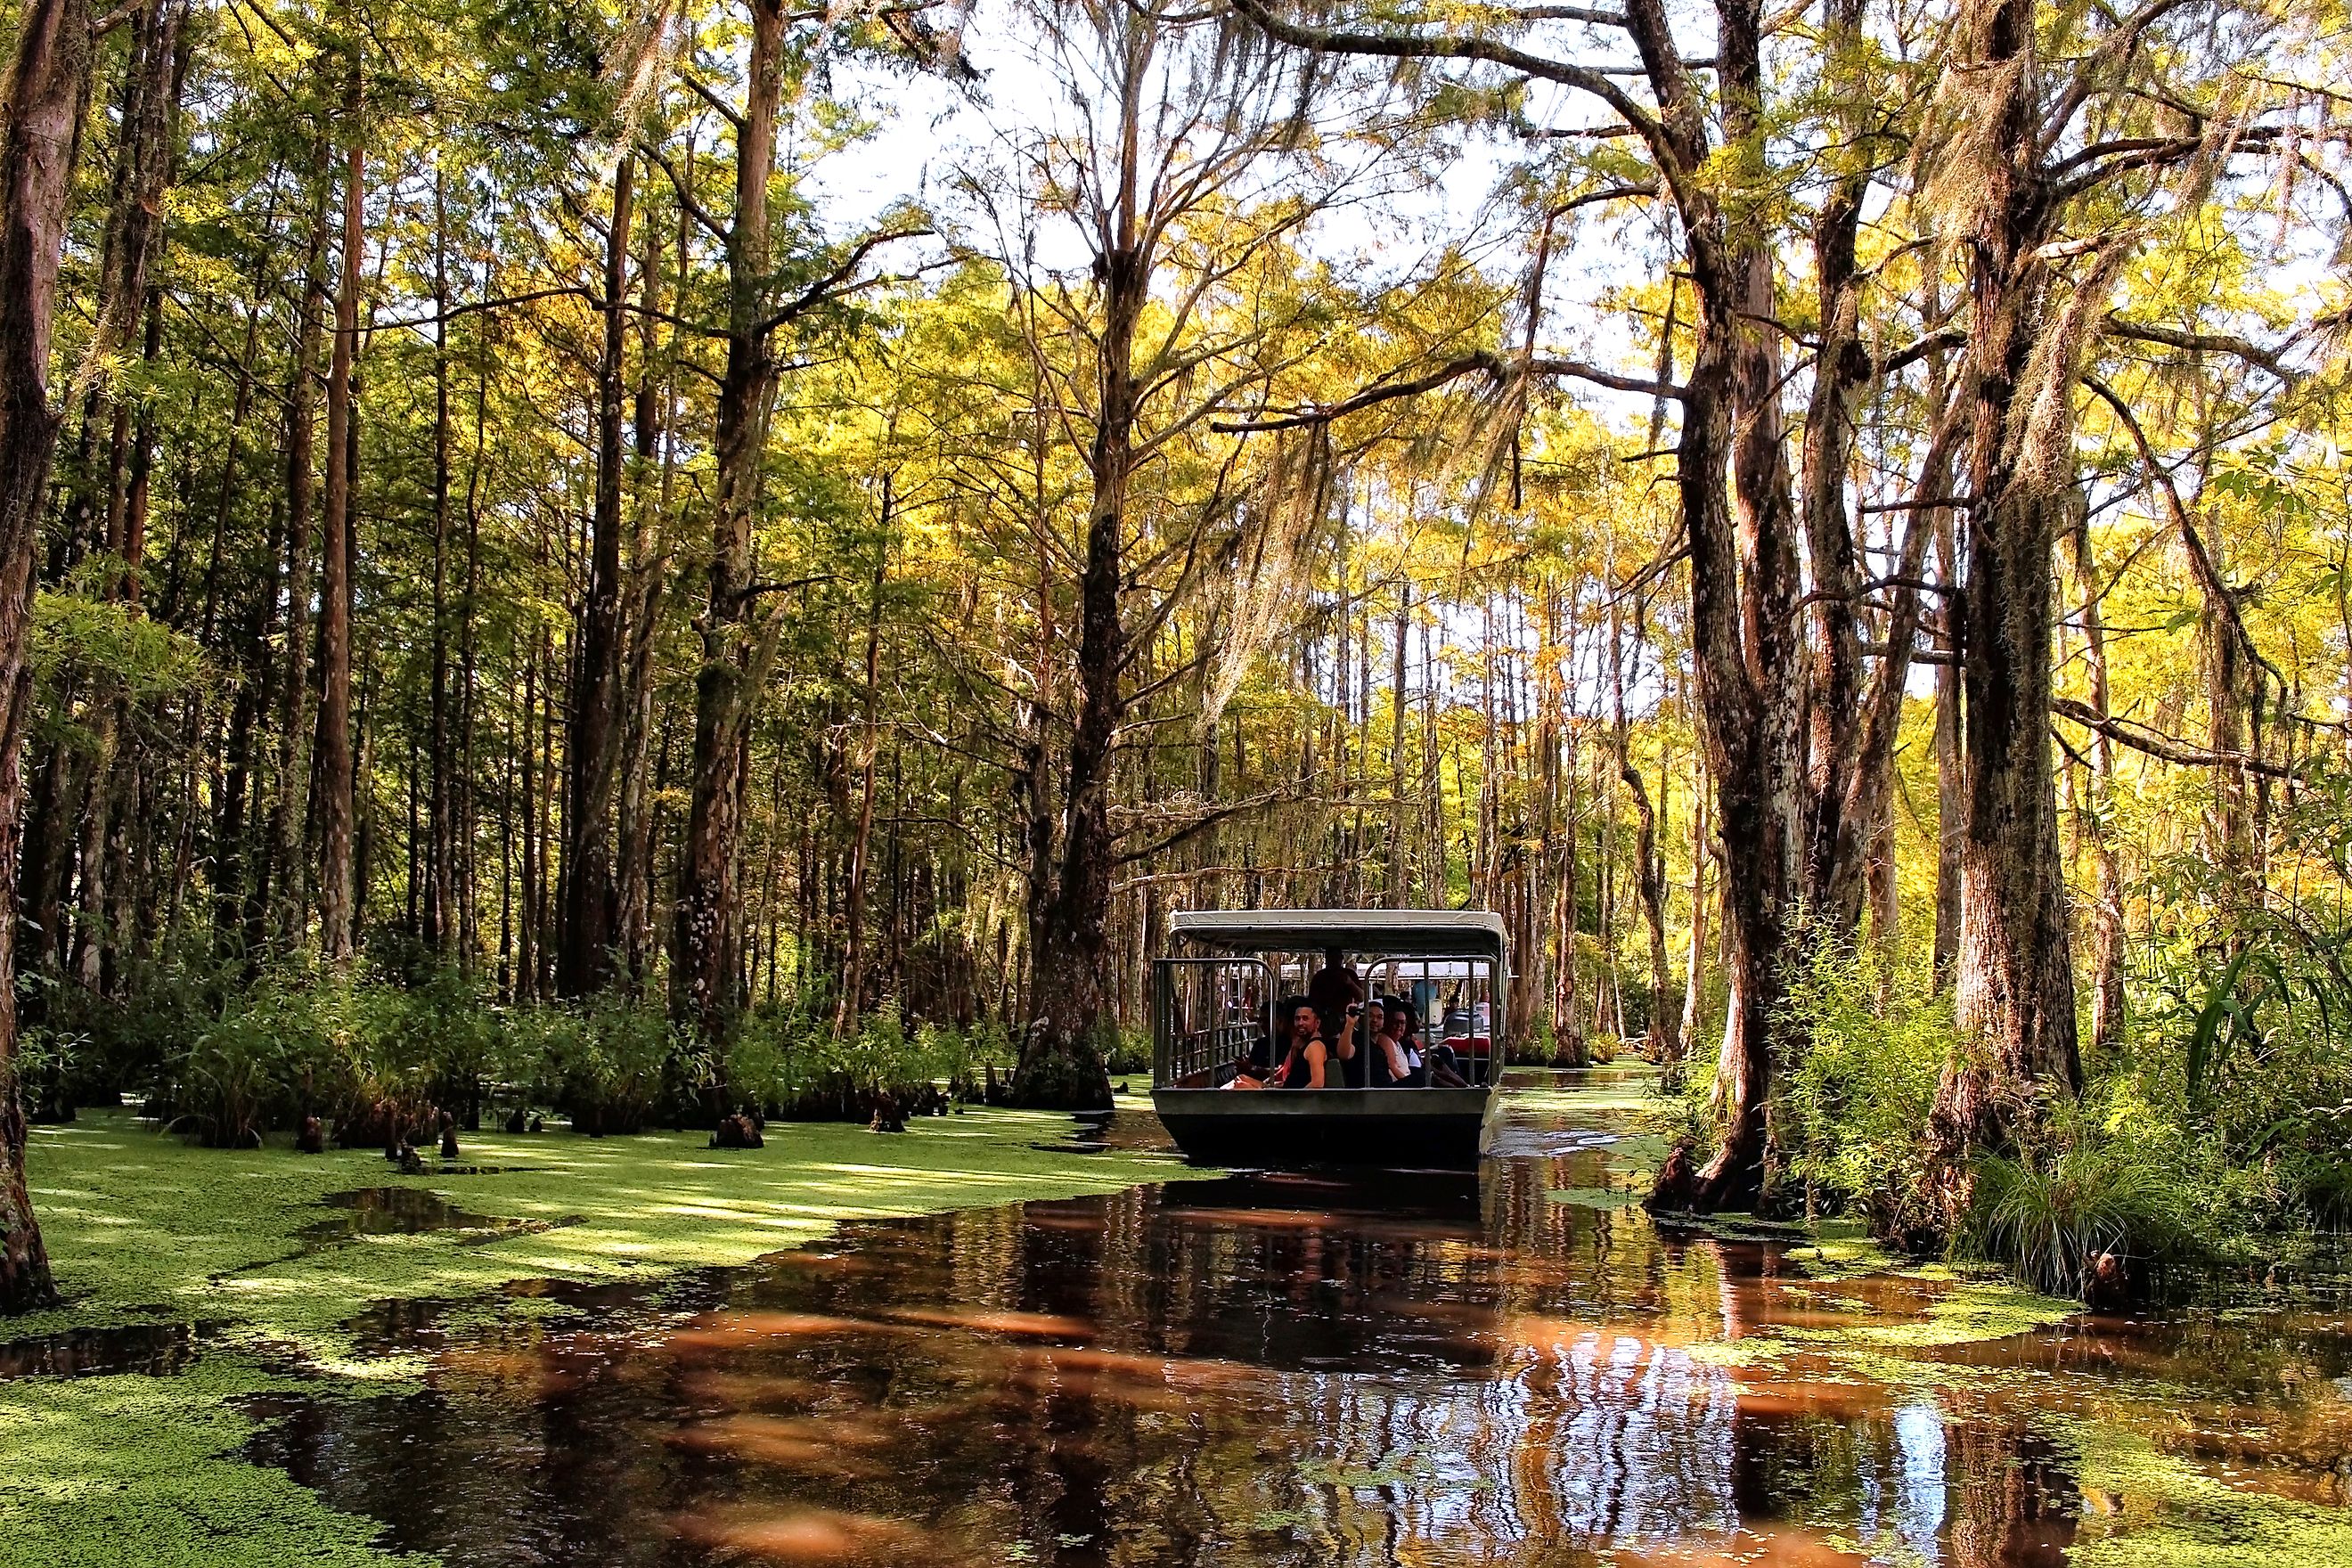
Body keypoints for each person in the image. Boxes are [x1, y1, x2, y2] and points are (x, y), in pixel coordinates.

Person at [1268, 994, 1332, 1089]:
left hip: (1292, 1100)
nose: (1300, 1023)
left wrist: (1294, 1100)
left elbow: (1317, 1084)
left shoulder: (1315, 1046)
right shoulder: (1302, 1046)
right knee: (1242, 1080)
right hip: (1286, 1094)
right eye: (1297, 1019)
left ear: (1317, 1023)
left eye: (1305, 1019)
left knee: (1242, 1085)